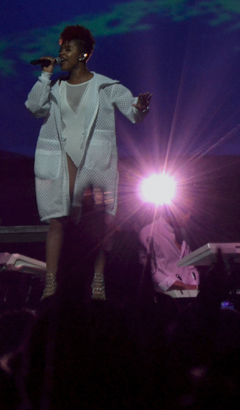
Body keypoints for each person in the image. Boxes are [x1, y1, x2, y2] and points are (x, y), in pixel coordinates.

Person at [25, 25, 151, 300]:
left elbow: (132, 110)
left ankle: (98, 283)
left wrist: (140, 107)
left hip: (93, 161)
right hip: (62, 162)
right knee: (57, 221)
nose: (61, 53)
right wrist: (45, 75)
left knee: (97, 225)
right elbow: (34, 107)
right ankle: (51, 284)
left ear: (83, 55)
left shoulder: (105, 86)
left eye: (68, 48)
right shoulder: (55, 87)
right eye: (61, 48)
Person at [139, 208, 200, 294]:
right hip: (163, 297)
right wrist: (187, 288)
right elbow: (153, 273)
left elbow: (190, 266)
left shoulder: (184, 233)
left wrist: (194, 286)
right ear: (171, 210)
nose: (189, 216)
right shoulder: (149, 231)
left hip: (189, 296)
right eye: (185, 211)